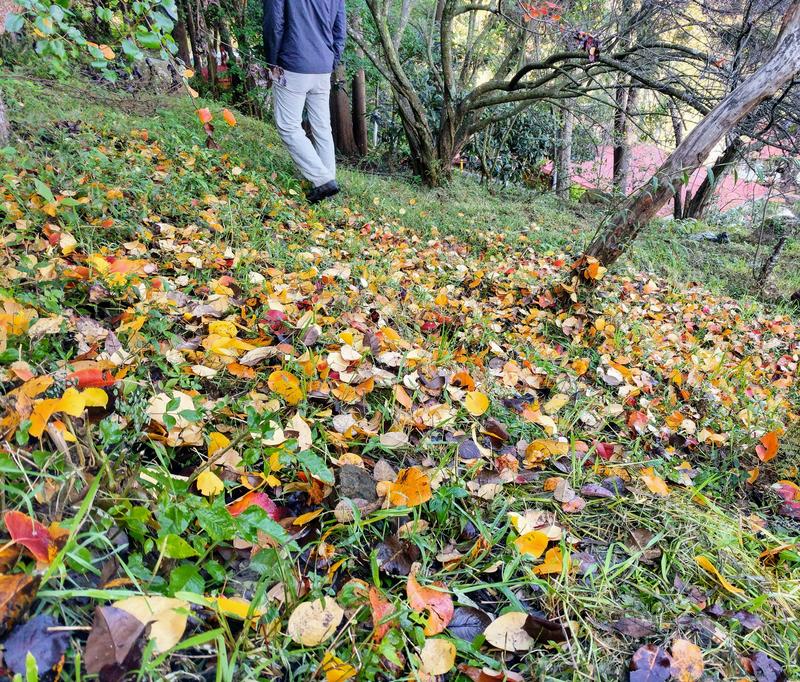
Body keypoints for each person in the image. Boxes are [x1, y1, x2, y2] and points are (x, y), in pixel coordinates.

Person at [264, 0, 346, 204]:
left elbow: (274, 24)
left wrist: (272, 62)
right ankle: (328, 186)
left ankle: (323, 180)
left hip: (293, 64)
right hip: (323, 66)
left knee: (288, 126)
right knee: (322, 128)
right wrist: (331, 60)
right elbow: (340, 30)